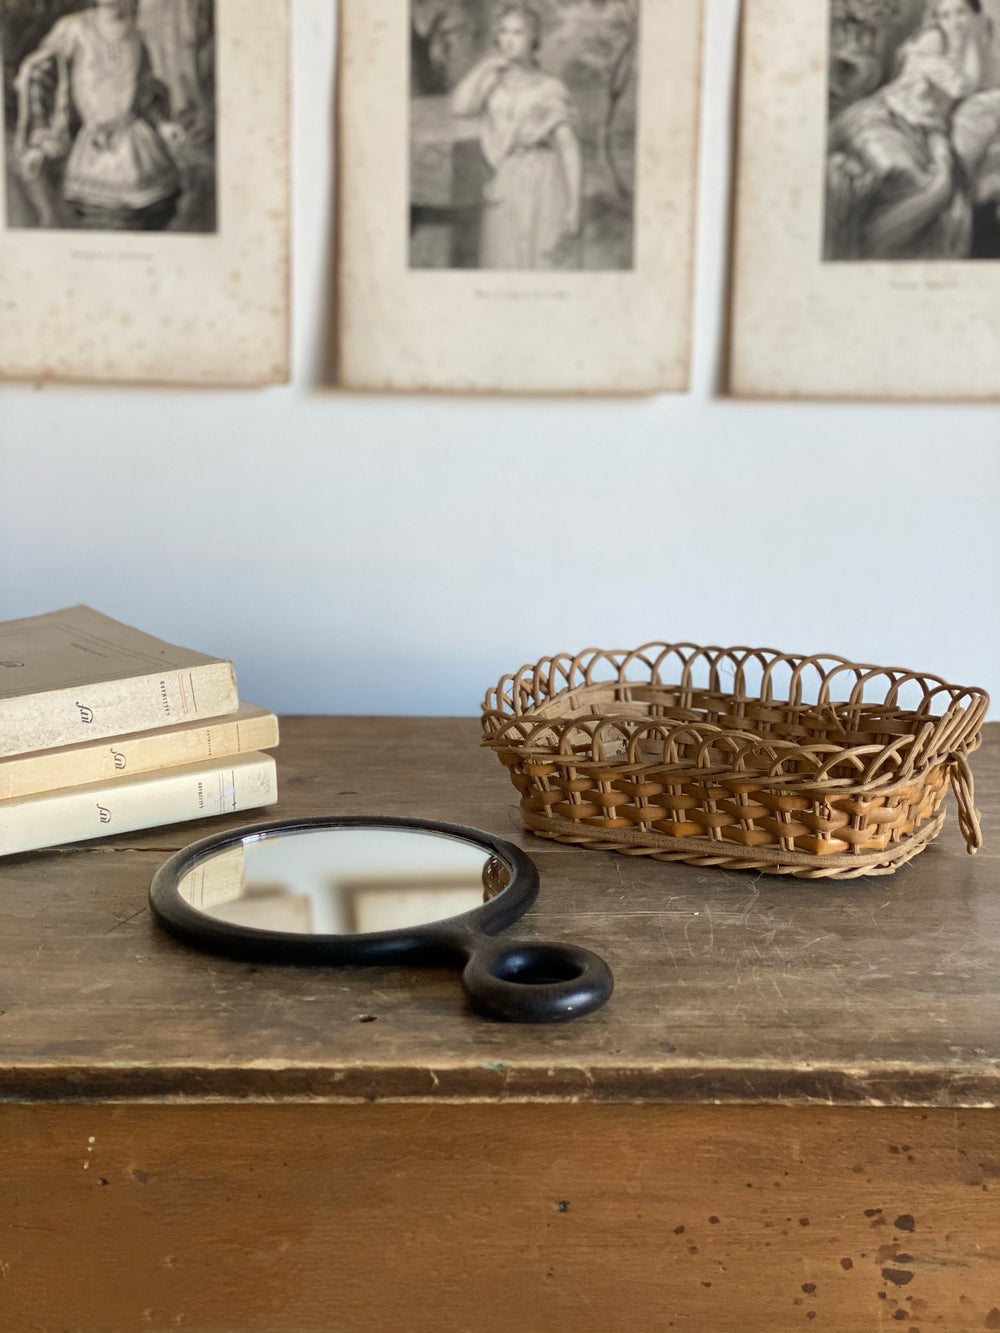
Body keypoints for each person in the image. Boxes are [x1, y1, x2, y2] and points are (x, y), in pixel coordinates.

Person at [826, 0, 991, 260]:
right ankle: (869, 240)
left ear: (974, 15)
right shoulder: (932, 39)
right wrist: (971, 40)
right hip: (892, 113)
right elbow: (960, 86)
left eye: (961, 13)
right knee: (909, 175)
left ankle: (889, 239)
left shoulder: (973, 44)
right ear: (937, 18)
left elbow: (971, 84)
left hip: (931, 127)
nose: (954, 21)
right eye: (946, 14)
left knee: (944, 180)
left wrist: (973, 40)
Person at [15, 0, 186, 230]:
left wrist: (163, 124)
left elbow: (145, 92)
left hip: (139, 151)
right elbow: (38, 75)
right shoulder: (73, 29)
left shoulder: (136, 35)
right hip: (91, 151)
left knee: (152, 216)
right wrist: (41, 138)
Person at [450, 2, 582, 270]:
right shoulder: (491, 81)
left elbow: (568, 150)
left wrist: (574, 205)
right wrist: (486, 66)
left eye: (517, 32)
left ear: (533, 37)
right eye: (503, 32)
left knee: (544, 259)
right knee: (503, 259)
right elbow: (459, 107)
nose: (508, 40)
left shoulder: (550, 87)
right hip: (506, 177)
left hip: (545, 178)